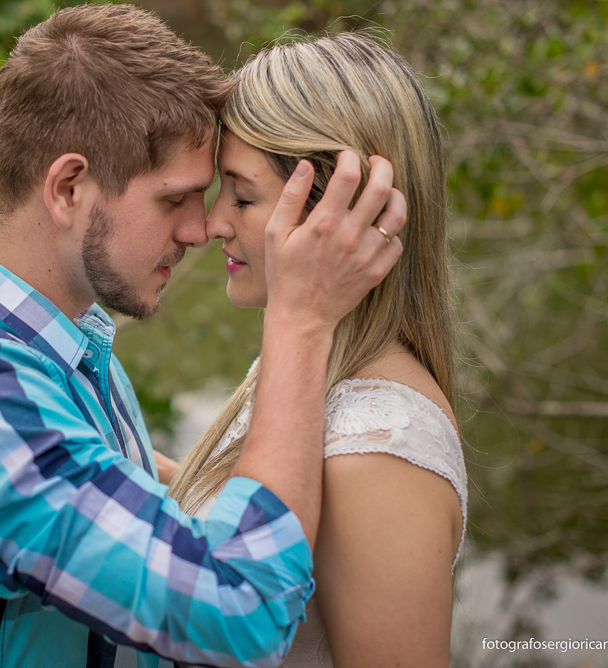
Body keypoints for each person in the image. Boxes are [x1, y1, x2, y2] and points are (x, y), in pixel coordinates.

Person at [0, 6, 408, 668]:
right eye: (174, 200)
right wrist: (301, 320)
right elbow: (237, 616)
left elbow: (119, 494)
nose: (200, 231)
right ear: (68, 188)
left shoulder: (57, 343)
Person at [166, 32, 467, 668]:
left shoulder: (378, 453)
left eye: (242, 196)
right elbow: (233, 501)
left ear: (344, 208)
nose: (213, 223)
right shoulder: (317, 366)